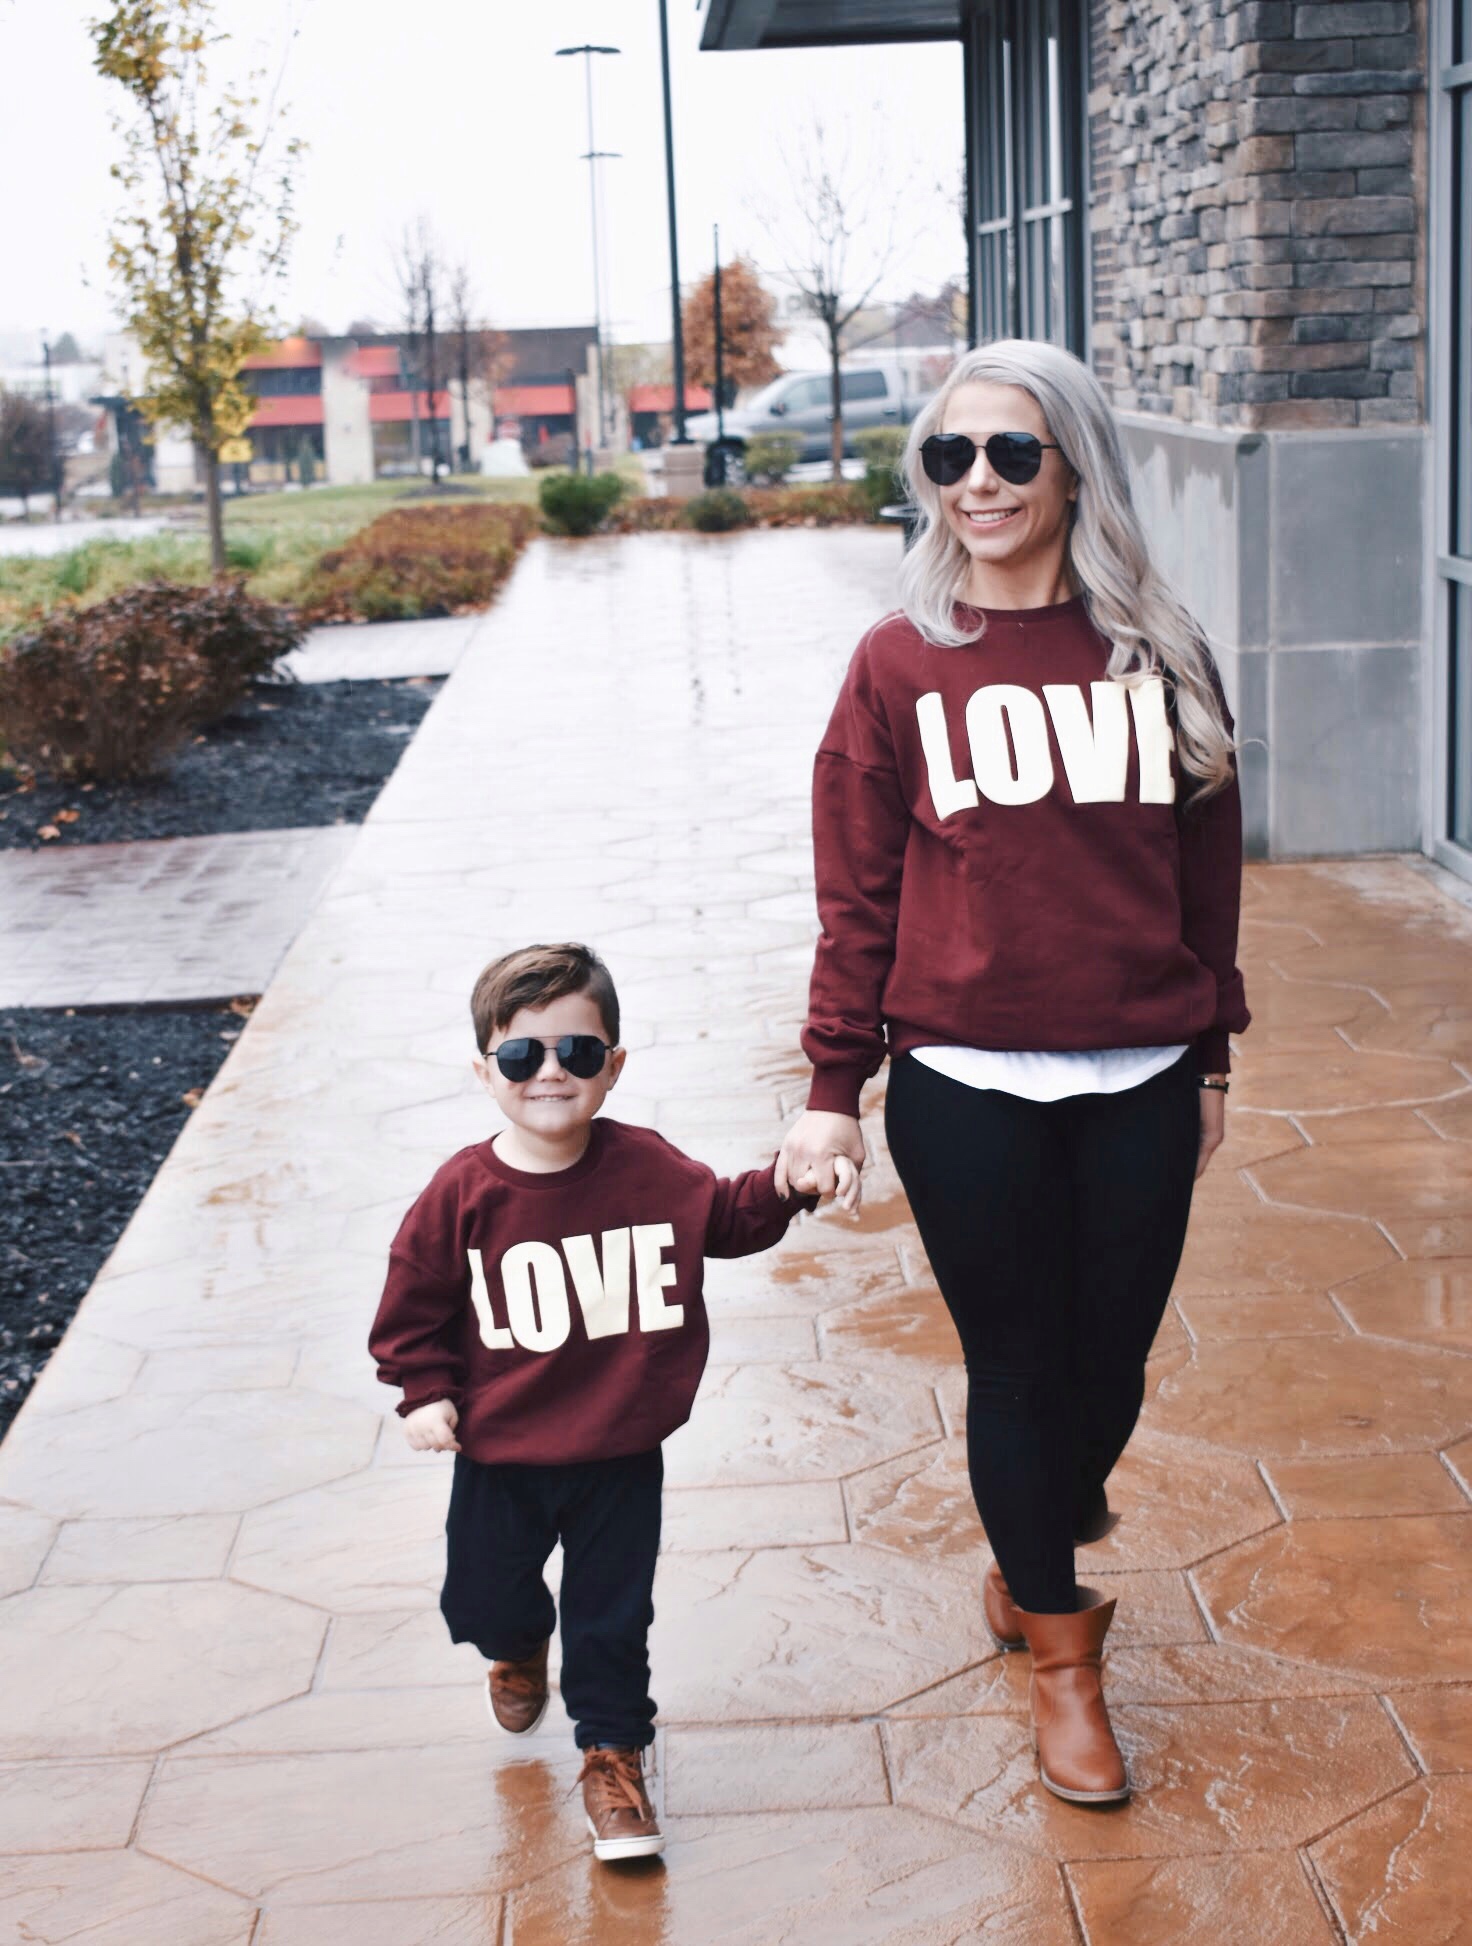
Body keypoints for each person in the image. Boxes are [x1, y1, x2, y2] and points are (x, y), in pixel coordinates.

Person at [775, 339, 1249, 1806]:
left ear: (1074, 466)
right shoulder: (900, 663)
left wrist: (1213, 1042)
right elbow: (855, 894)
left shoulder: (1155, 649)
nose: (976, 481)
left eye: (1011, 454)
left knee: (1107, 1366)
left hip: (1144, 1068)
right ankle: (1064, 1656)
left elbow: (1206, 867)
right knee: (1017, 1365)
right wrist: (829, 1084)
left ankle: (1036, 1531)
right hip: (966, 1074)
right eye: (949, 456)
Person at [368, 942, 836, 1862]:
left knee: (613, 1617)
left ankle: (613, 1756)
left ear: (613, 1066)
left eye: (579, 1053)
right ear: (485, 1069)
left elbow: (727, 1218)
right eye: (522, 1056)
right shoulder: (461, 1194)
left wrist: (788, 1183)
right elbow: (411, 1306)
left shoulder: (648, 1168)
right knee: (486, 1598)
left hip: (621, 1452)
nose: (551, 1074)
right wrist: (424, 1391)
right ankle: (516, 1644)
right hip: (502, 1457)